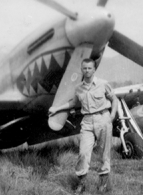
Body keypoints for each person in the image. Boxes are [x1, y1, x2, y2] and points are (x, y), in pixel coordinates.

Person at [49, 58, 118, 194]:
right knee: (83, 153)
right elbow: (73, 103)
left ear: (94, 69)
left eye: (89, 68)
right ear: (82, 70)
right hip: (86, 122)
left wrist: (111, 116)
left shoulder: (103, 84)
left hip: (103, 119)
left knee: (104, 154)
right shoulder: (79, 88)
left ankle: (103, 185)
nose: (87, 71)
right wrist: (56, 109)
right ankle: (82, 184)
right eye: (84, 68)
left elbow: (114, 99)